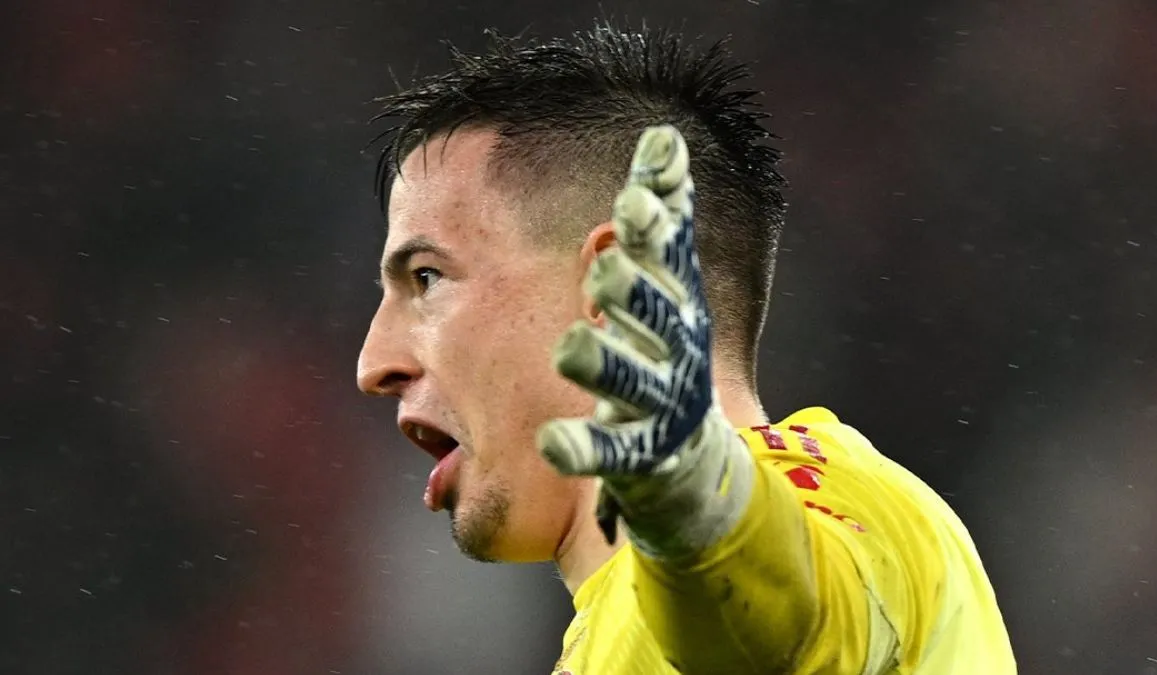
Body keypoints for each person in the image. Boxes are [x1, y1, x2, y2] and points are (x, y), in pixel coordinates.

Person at [356, 23, 1016, 674]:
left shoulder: (849, 501)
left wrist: (697, 497)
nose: (373, 364)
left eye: (428, 278)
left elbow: (787, 625)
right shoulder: (613, 632)